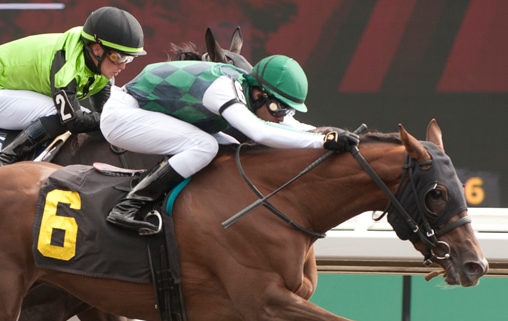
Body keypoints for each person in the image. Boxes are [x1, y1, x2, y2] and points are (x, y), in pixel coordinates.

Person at [100, 54, 360, 234]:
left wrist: (327, 133)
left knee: (230, 148)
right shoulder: (222, 89)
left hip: (150, 113)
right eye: (279, 109)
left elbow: (292, 127)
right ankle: (128, 206)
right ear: (259, 94)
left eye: (287, 111)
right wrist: (321, 141)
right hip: (122, 116)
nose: (282, 117)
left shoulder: (250, 89)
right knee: (205, 146)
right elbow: (261, 133)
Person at [0, 6, 145, 172]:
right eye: (118, 57)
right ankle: (2, 159)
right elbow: (73, 121)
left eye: (128, 59)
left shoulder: (99, 64)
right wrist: (110, 117)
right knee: (59, 115)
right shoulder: (66, 67)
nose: (122, 66)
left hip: (15, 89)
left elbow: (106, 113)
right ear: (97, 49)